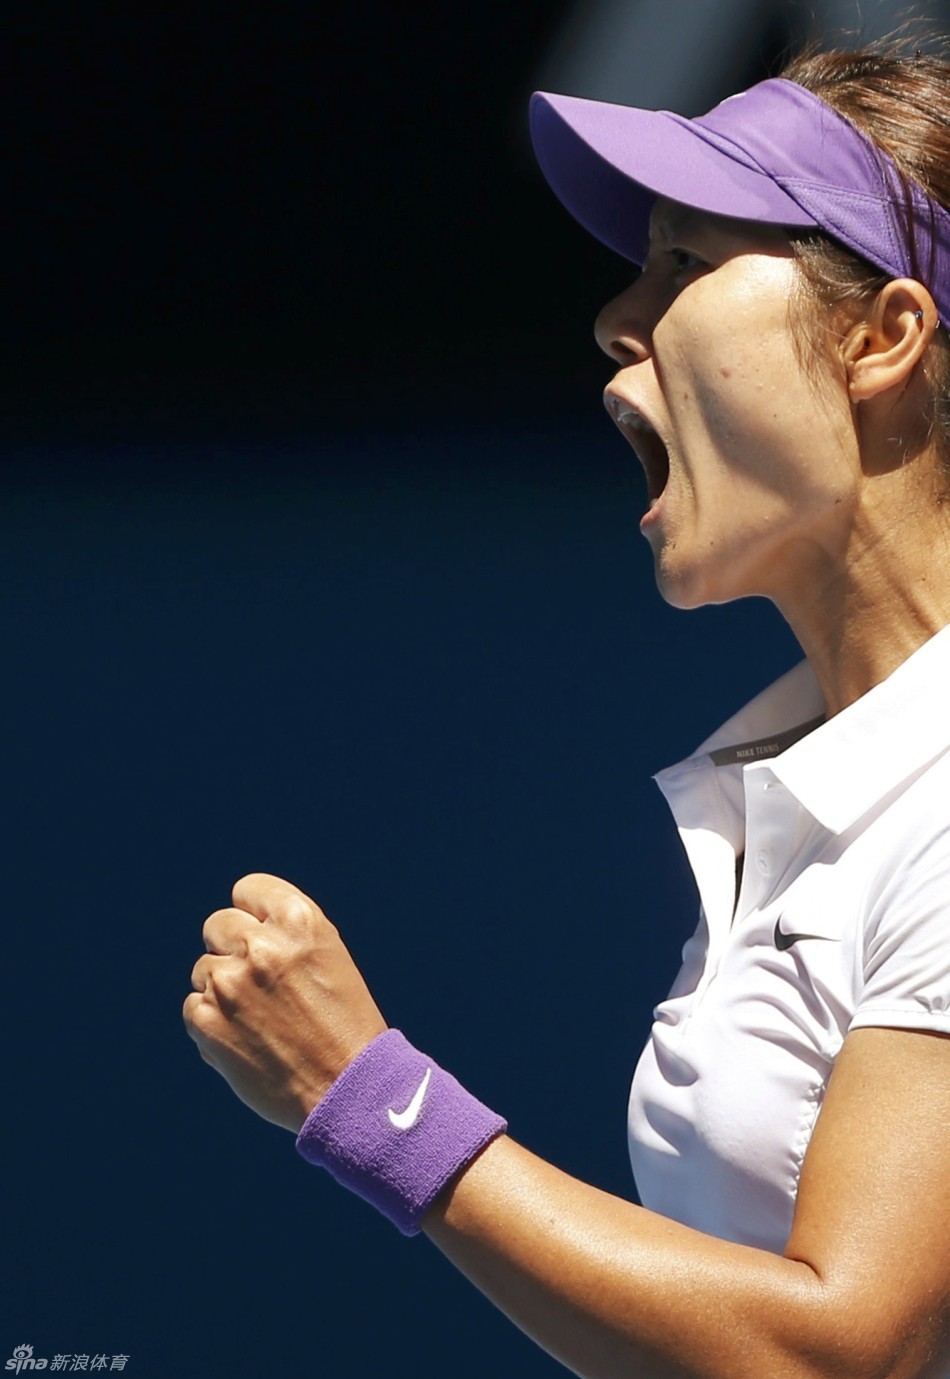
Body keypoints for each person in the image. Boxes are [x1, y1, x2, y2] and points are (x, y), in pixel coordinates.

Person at [183, 39, 950, 1379]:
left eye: (687, 265)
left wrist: (370, 1101)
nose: (614, 317)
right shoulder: (815, 786)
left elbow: (843, 1357)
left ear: (880, 337)